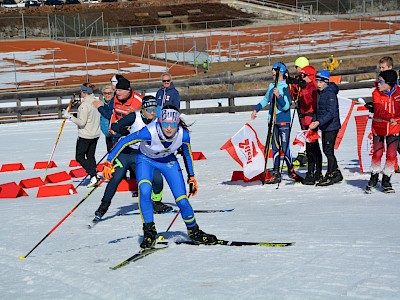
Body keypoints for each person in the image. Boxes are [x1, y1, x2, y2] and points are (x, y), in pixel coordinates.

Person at [102, 105, 217, 249]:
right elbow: (125, 141)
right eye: (165, 124)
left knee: (182, 200)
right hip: (146, 160)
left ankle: (194, 231)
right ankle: (149, 232)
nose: (169, 128)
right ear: (160, 121)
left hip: (168, 162)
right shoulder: (149, 131)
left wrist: (192, 177)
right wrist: (109, 161)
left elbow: (187, 154)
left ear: (177, 122)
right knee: (144, 191)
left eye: (172, 124)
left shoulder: (183, 134)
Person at [93, 96, 172, 222]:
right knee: (116, 178)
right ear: (143, 109)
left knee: (157, 178)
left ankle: (157, 203)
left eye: (154, 109)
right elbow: (114, 126)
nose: (152, 112)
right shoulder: (134, 116)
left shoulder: (158, 120)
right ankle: (103, 207)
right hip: (126, 153)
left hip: (144, 154)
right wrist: (122, 131)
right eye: (149, 109)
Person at [251, 62, 298, 184]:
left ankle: (290, 168)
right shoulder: (272, 86)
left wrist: (279, 97)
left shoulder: (285, 87)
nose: (273, 74)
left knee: (285, 146)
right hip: (272, 122)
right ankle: (276, 173)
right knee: (275, 147)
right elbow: (265, 99)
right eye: (272, 71)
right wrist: (256, 109)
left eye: (275, 72)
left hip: (283, 121)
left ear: (281, 73)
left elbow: (287, 106)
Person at [365, 70, 400, 193]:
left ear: (389, 83)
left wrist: (396, 118)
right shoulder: (376, 93)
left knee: (391, 155)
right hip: (379, 128)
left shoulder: (398, 93)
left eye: (380, 82)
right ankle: (373, 178)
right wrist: (389, 118)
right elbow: (379, 109)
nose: (377, 84)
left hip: (394, 129)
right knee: (377, 154)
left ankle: (386, 180)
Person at [63, 83, 101, 187]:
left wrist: (69, 117)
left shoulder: (84, 106)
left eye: (81, 91)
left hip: (85, 135)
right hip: (95, 134)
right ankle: (94, 176)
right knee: (90, 156)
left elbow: (81, 122)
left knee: (79, 157)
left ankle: (93, 175)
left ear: (84, 92)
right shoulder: (96, 102)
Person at [309, 70, 343, 186]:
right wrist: (314, 120)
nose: (318, 84)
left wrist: (318, 122)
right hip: (324, 126)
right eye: (317, 81)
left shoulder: (330, 93)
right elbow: (318, 110)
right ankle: (336, 172)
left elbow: (331, 112)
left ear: (326, 82)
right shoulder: (320, 93)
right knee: (326, 149)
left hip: (331, 126)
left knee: (328, 150)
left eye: (320, 82)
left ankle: (330, 174)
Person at [296, 66, 323, 185]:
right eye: (301, 75)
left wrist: (303, 89)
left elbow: (308, 102)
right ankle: (310, 171)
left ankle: (317, 171)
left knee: (314, 147)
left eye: (304, 75)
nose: (302, 78)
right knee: (309, 148)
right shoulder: (305, 86)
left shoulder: (313, 87)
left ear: (310, 76)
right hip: (304, 121)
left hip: (311, 121)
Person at [291, 56, 310, 167]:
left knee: (307, 130)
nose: (295, 68)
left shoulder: (307, 79)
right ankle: (303, 152)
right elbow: (294, 92)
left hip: (307, 108)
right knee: (303, 130)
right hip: (299, 106)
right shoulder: (297, 78)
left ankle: (306, 153)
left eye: (297, 67)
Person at [94, 85, 114, 152]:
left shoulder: (114, 102)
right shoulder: (101, 102)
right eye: (105, 93)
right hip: (106, 132)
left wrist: (101, 107)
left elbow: (109, 115)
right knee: (110, 152)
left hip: (115, 132)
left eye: (109, 93)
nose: (107, 95)